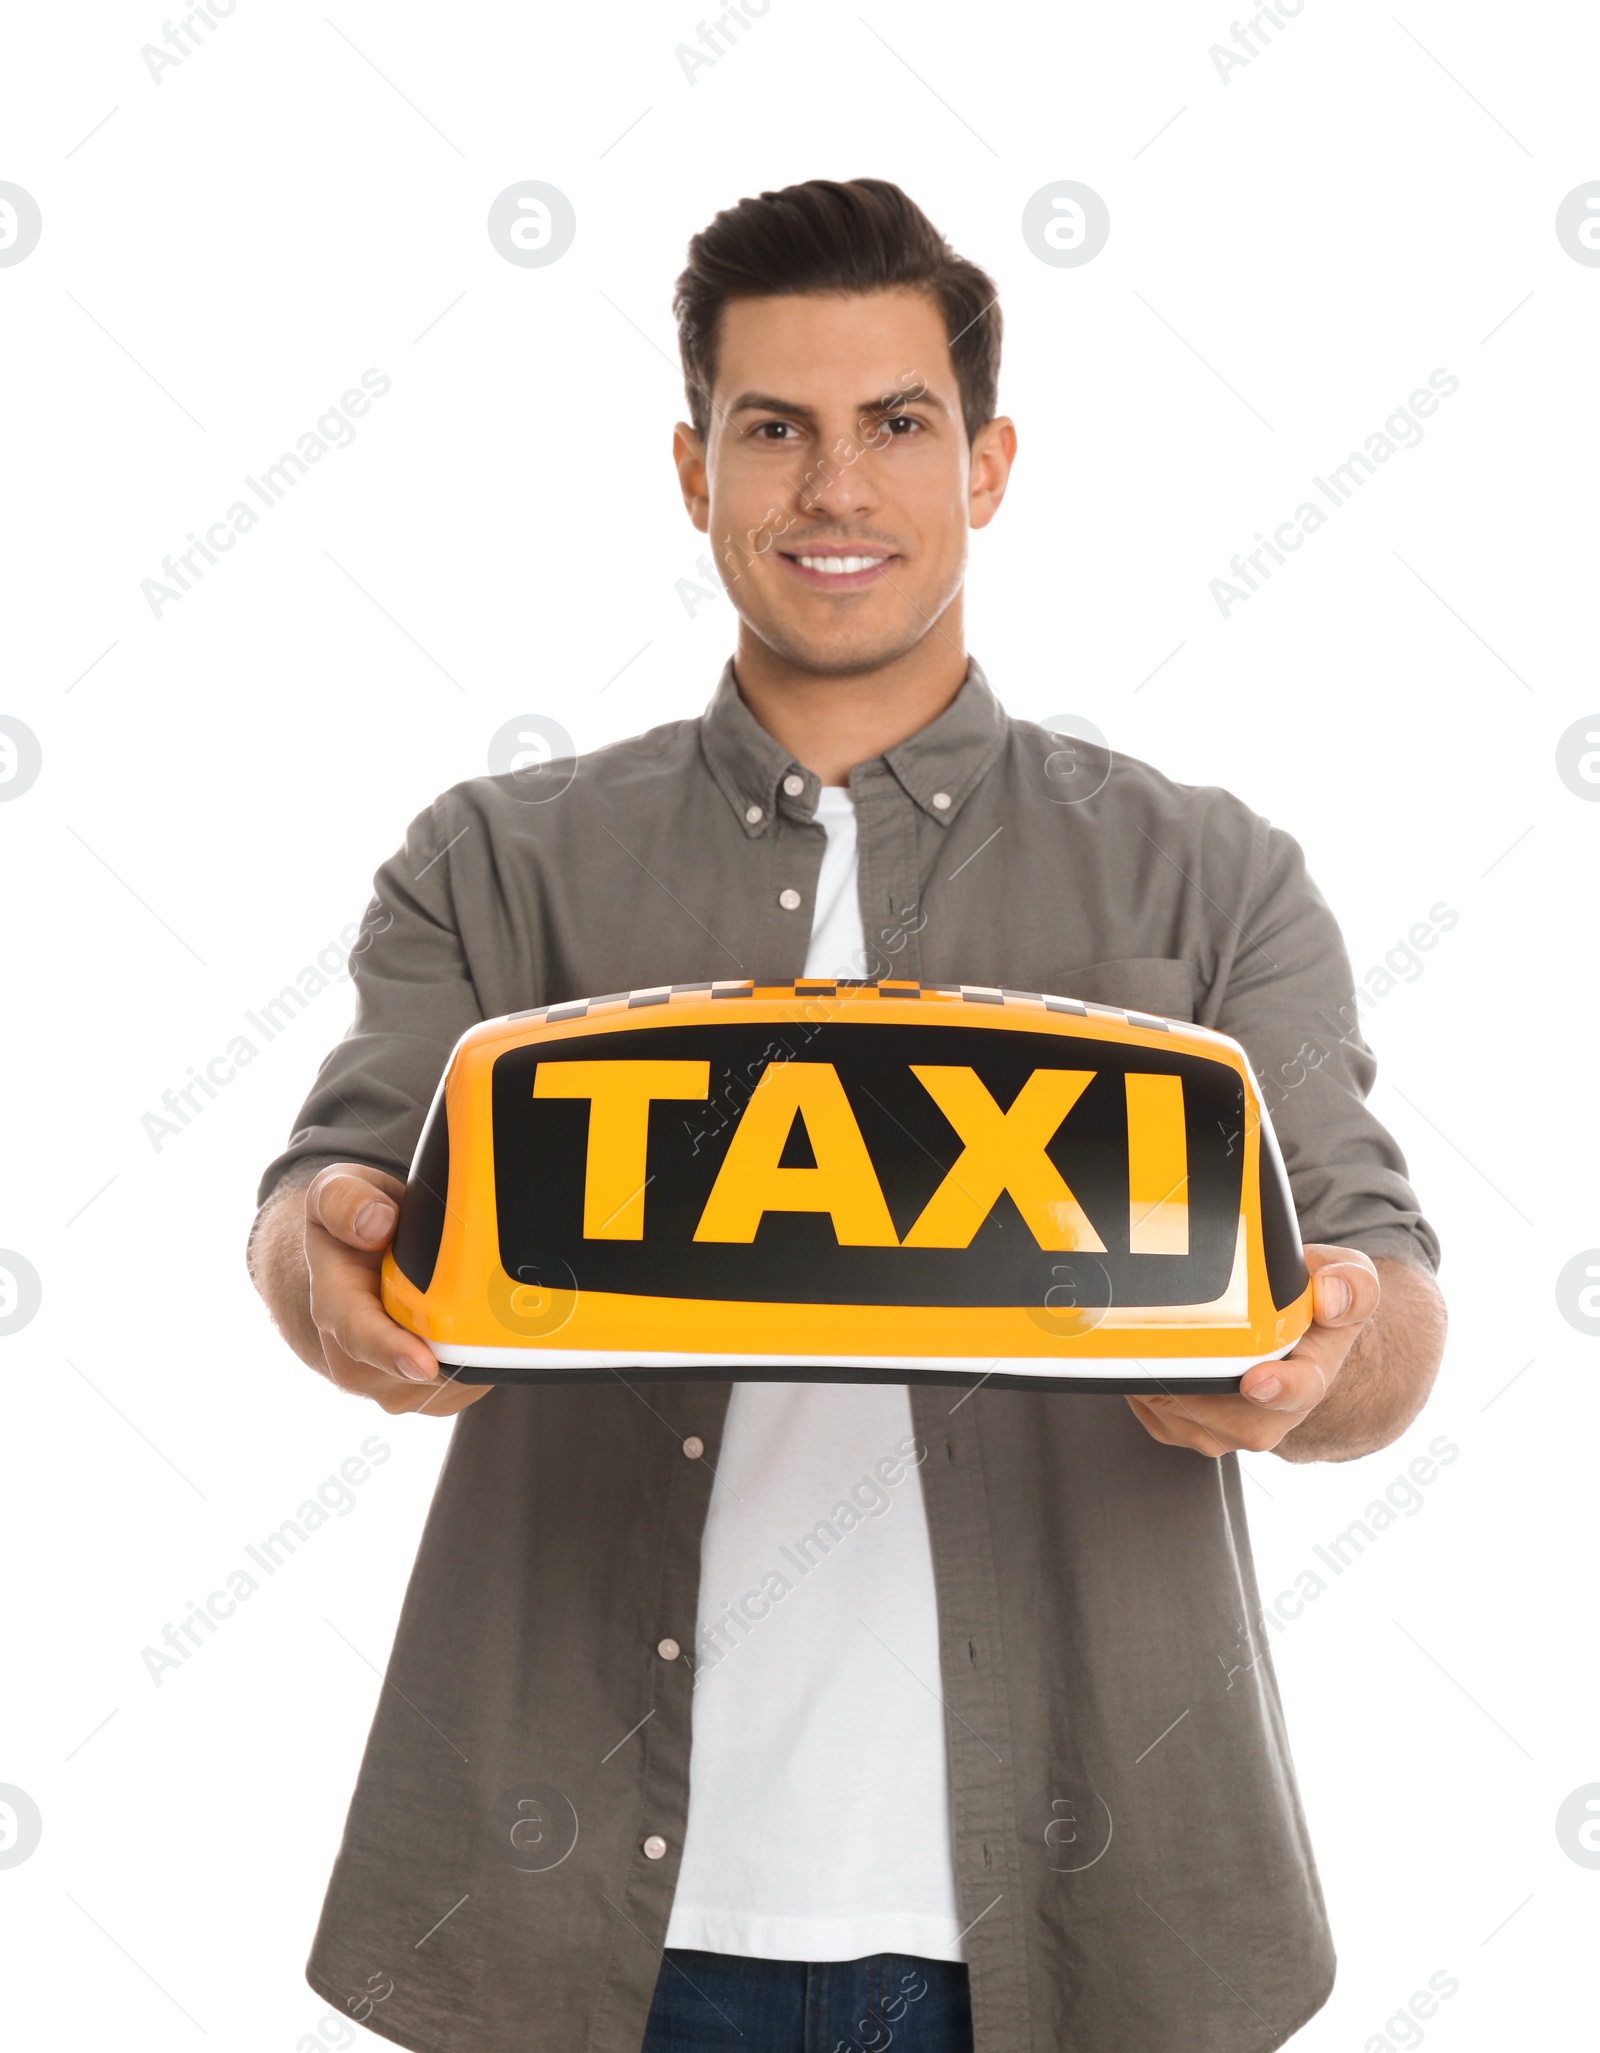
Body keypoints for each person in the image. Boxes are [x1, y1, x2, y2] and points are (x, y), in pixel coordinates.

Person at [247, 177, 1446, 2053]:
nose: (835, 487)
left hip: (1091, 1911)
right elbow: (332, 1182)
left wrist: (1323, 1367)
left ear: (987, 463)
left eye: (896, 423)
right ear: (692, 466)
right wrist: (320, 1262)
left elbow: (1381, 1280)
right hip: (578, 1923)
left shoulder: (1213, 880)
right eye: (773, 428)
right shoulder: (493, 859)